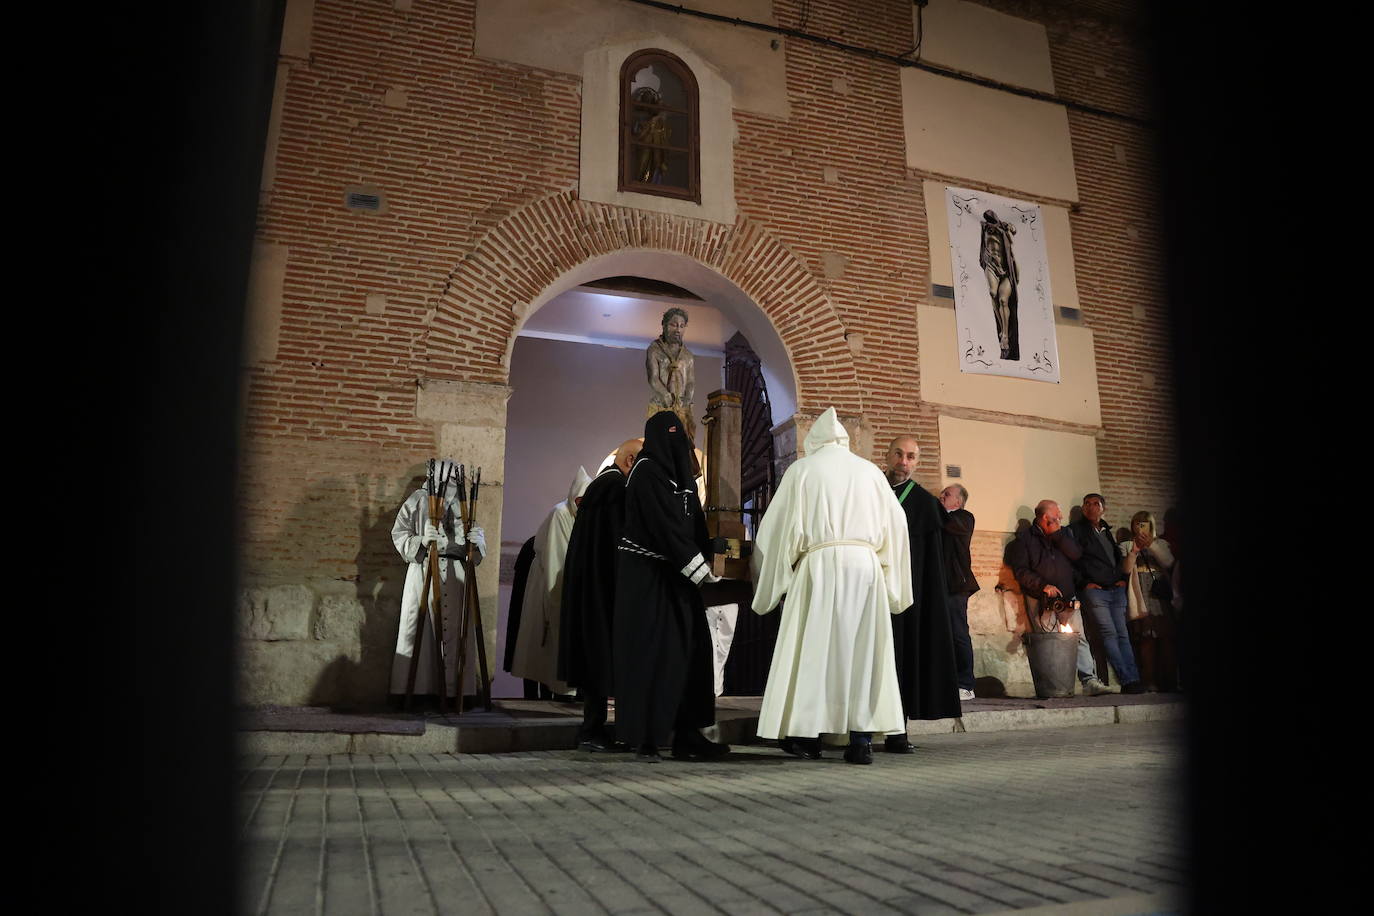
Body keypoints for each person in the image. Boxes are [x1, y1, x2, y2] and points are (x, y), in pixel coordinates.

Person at [752, 409, 914, 765]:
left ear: (815, 441)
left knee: (816, 651)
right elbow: (897, 525)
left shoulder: (803, 470)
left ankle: (808, 737)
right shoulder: (871, 473)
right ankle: (861, 741)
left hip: (821, 565)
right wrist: (890, 577)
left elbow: (775, 532)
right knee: (863, 652)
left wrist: (776, 578)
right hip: (865, 567)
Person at [613, 411, 727, 762]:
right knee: (652, 658)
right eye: (675, 437)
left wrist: (711, 550)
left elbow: (691, 526)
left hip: (677, 579)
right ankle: (645, 738)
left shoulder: (683, 481)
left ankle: (688, 735)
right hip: (648, 581)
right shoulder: (646, 473)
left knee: (691, 656)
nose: (682, 445)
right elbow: (663, 527)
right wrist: (698, 566)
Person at [559, 439, 643, 752]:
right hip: (603, 589)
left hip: (591, 587)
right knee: (602, 657)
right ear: (630, 459)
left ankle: (593, 729)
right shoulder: (616, 488)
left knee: (596, 658)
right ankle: (594, 731)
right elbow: (620, 542)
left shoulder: (601, 486)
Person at [883, 436, 962, 753]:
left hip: (907, 596)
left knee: (904, 656)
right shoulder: (869, 490)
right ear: (887, 455)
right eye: (899, 454)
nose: (904, 461)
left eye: (911, 456)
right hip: (869, 590)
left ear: (917, 462)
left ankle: (897, 730)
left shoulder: (925, 504)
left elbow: (933, 562)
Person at [389, 459, 486, 702]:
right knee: (419, 632)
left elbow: (475, 545)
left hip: (456, 575)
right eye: (448, 482)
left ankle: (457, 694)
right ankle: (417, 691)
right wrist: (420, 541)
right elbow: (399, 533)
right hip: (424, 571)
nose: (452, 487)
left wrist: (477, 541)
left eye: (456, 482)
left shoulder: (464, 504)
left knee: (457, 631)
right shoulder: (418, 499)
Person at [1006, 500, 1113, 696]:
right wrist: (1042, 586)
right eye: (1057, 513)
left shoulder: (1065, 534)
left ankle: (1089, 680)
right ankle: (1055, 685)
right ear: (1046, 517)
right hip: (1040, 598)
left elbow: (1076, 555)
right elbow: (1020, 571)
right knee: (1051, 642)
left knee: (1078, 637)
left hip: (1068, 596)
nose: (1061, 517)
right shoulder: (1024, 540)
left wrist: (1057, 536)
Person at [509, 467, 592, 697]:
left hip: (567, 585)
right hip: (548, 582)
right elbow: (556, 560)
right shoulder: (560, 514)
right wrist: (560, 602)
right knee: (544, 647)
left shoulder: (582, 518)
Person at [1069, 494, 1144, 694]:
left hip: (1116, 590)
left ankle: (1134, 678)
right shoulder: (1076, 531)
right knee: (1109, 634)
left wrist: (1121, 578)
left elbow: (1115, 559)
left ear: (1103, 508)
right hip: (1096, 592)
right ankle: (1127, 679)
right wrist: (1085, 584)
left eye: (1095, 503)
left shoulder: (1106, 531)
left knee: (1123, 635)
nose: (1090, 507)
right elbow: (1073, 562)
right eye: (1087, 503)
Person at [1119, 510, 1177, 692]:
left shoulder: (1161, 543)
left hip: (1159, 593)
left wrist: (1151, 545)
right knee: (1146, 639)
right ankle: (1149, 680)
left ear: (1151, 525)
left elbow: (1168, 562)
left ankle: (1169, 681)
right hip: (1139, 593)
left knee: (1166, 638)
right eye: (1137, 523)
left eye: (1144, 523)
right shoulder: (1127, 545)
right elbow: (1126, 570)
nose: (1140, 527)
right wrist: (1135, 551)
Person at [938, 484, 979, 702]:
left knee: (958, 634)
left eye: (947, 494)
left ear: (959, 501)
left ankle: (965, 684)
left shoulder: (964, 517)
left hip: (956, 586)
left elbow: (949, 525)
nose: (941, 495)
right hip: (937, 586)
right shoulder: (938, 518)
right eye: (942, 492)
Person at [645, 308, 696, 442]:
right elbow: (653, 378)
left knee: (685, 446)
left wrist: (688, 398)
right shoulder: (654, 350)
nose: (678, 330)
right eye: (673, 325)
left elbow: (690, 381)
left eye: (682, 326)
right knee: (660, 443)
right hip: (662, 405)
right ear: (664, 324)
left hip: (682, 409)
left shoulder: (688, 356)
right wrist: (665, 395)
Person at [980, 209, 1020, 360]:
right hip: (991, 265)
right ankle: (1000, 324)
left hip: (1005, 269)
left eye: (991, 219)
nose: (989, 221)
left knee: (1004, 300)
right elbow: (982, 224)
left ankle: (1004, 333)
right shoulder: (985, 228)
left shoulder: (1003, 228)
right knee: (992, 293)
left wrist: (1008, 227)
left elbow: (1014, 232)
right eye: (987, 219)